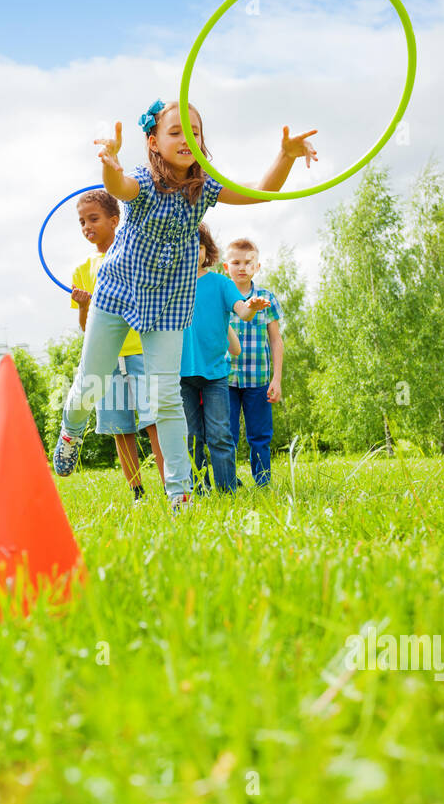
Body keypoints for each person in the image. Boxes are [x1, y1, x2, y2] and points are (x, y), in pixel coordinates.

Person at [52, 98, 316, 513]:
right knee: (92, 380)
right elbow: (118, 187)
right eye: (176, 132)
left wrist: (285, 155)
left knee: (166, 397)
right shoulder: (140, 179)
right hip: (119, 290)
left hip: (169, 303)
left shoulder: (204, 187)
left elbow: (261, 194)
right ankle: (70, 432)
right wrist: (110, 160)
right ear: (154, 142)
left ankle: (179, 494)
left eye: (194, 132)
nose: (187, 139)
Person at [68, 189, 165, 500]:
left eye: (93, 219)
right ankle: (138, 492)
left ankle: (171, 486)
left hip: (140, 351)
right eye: (82, 221)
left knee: (154, 420)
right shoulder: (82, 271)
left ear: (114, 220)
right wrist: (84, 306)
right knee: (118, 426)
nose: (86, 226)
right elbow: (87, 329)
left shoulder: (132, 255)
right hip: (107, 360)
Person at [181, 223, 257, 494]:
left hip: (215, 372)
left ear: (206, 250)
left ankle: (227, 491)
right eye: (185, 244)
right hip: (181, 373)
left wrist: (250, 308)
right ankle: (199, 490)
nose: (192, 251)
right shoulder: (172, 285)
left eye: (197, 245)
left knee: (220, 434)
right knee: (191, 437)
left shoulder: (221, 283)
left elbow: (243, 311)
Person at [225, 238, 284, 487]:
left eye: (248, 263)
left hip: (258, 379)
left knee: (259, 435)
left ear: (257, 267)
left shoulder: (266, 298)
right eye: (236, 262)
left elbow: (276, 341)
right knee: (224, 435)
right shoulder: (222, 295)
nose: (242, 268)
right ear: (226, 267)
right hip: (224, 379)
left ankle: (262, 482)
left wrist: (277, 379)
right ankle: (227, 481)